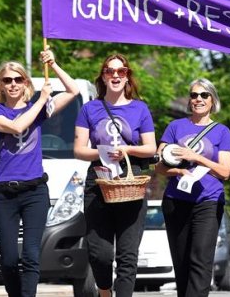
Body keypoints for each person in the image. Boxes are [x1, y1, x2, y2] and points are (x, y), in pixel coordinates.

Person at [0, 51, 79, 297]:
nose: (13, 84)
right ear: (1, 86)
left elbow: (73, 91)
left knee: (30, 256)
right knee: (8, 260)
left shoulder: (38, 108)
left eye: (18, 79)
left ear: (26, 82)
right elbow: (17, 126)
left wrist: (53, 64)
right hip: (5, 193)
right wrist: (41, 100)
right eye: (7, 80)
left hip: (35, 191)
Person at [73, 54, 157, 297]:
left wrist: (127, 150)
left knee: (127, 256)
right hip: (98, 181)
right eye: (110, 71)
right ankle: (104, 290)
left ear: (128, 76)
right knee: (100, 253)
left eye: (121, 71)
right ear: (103, 76)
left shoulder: (140, 108)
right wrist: (104, 153)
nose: (116, 75)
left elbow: (150, 147)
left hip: (132, 180)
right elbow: (79, 150)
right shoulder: (90, 108)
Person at [154, 78, 230, 297]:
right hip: (176, 201)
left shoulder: (221, 131)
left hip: (208, 200)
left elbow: (225, 171)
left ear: (212, 100)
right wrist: (178, 170)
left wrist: (196, 157)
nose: (198, 99)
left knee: (200, 260)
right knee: (181, 264)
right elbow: (159, 166)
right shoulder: (175, 126)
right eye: (194, 95)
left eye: (204, 95)